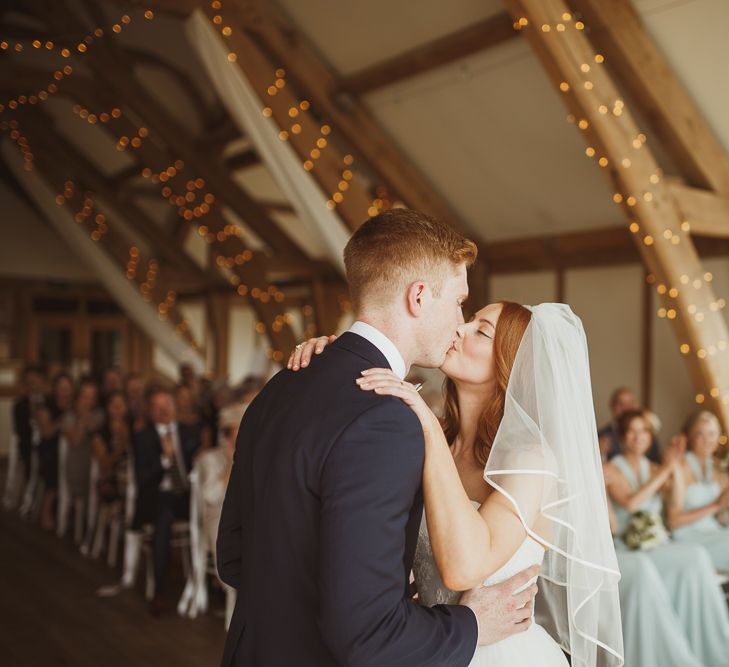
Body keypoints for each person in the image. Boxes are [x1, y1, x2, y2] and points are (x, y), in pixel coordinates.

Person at [218, 210, 536, 667]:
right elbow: (368, 636)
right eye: (460, 302)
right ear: (420, 297)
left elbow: (234, 557)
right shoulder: (385, 419)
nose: (460, 322)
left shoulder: (284, 383)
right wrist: (471, 625)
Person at [291, 301, 623, 666]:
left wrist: (429, 426)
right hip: (429, 644)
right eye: (469, 320)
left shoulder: (531, 460)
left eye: (481, 331)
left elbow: (464, 568)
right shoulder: (428, 437)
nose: (460, 329)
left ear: (511, 365)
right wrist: (336, 357)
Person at [606, 409, 729, 666]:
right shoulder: (610, 469)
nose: (637, 437)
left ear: (650, 437)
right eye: (631, 431)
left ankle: (706, 645)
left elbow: (677, 503)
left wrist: (674, 467)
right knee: (650, 567)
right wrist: (667, 470)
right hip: (625, 547)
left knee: (695, 556)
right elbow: (631, 504)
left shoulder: (654, 468)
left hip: (653, 545)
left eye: (643, 431)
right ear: (622, 436)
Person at [133, 387, 201, 615]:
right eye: (157, 406)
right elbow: (142, 480)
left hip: (187, 495)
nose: (164, 410)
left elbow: (196, 464)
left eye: (167, 404)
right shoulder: (143, 437)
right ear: (150, 411)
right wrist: (165, 458)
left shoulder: (189, 431)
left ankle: (213, 582)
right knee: (163, 517)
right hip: (158, 496)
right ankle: (159, 590)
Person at [668, 410, 729, 571]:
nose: (707, 440)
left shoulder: (718, 470)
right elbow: (674, 521)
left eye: (712, 434)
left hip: (715, 532)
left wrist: (723, 507)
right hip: (688, 537)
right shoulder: (679, 467)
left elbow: (722, 519)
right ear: (689, 437)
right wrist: (716, 505)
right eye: (700, 434)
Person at [598, 387, 659, 462]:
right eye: (620, 403)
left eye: (630, 403)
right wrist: (601, 454)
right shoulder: (600, 436)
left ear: (637, 405)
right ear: (612, 405)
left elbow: (656, 461)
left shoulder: (649, 434)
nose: (626, 407)